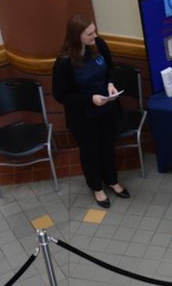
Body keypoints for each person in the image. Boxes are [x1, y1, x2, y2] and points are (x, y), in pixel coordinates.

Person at [53, 15, 129, 208]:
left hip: (107, 110)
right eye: (89, 33)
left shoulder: (99, 45)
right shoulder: (64, 62)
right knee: (90, 151)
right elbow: (61, 95)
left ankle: (112, 180)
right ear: (77, 36)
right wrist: (90, 99)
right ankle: (97, 187)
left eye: (94, 31)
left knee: (108, 146)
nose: (94, 35)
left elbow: (110, 68)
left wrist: (111, 83)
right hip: (84, 117)